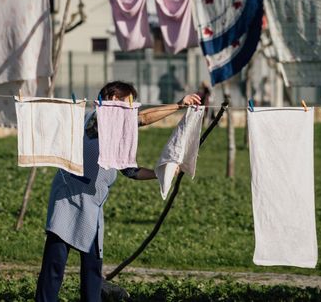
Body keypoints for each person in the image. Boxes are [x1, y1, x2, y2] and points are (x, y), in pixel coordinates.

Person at [35, 81, 201, 302]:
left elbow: (130, 171)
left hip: (92, 208)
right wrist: (178, 105)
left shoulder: (116, 136)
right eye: (129, 102)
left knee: (92, 266)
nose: (131, 109)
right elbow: (141, 118)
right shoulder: (93, 119)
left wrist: (161, 173)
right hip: (68, 199)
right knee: (54, 264)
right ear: (113, 100)